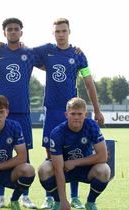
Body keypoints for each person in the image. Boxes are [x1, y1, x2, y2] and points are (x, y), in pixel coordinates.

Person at [33, 18, 105, 209]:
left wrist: (96, 110)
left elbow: (89, 82)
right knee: (51, 155)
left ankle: (74, 196)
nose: (60, 34)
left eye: (64, 31)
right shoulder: (46, 51)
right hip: (52, 110)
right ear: (53, 33)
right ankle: (50, 196)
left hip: (71, 110)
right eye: (57, 31)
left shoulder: (78, 55)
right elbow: (22, 51)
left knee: (75, 153)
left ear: (69, 32)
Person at [0, 17, 41, 208]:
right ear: (4, 33)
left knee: (24, 154)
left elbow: (50, 61)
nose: (13, 32)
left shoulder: (29, 54)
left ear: (21, 32)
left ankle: (24, 196)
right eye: (9, 29)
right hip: (0, 110)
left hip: (21, 111)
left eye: (16, 29)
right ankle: (0, 196)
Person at [37, 97, 110, 210]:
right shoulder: (57, 133)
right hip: (64, 169)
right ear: (66, 114)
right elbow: (58, 169)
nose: (76, 117)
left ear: (85, 114)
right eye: (73, 114)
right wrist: (63, 200)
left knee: (104, 170)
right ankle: (57, 201)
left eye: (80, 114)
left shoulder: (92, 126)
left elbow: (103, 156)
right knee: (44, 169)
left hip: (86, 169)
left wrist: (75, 162)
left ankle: (90, 202)